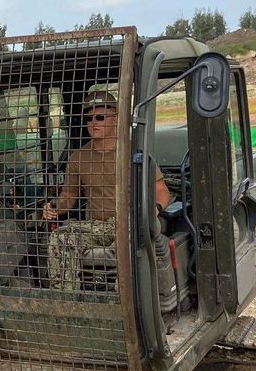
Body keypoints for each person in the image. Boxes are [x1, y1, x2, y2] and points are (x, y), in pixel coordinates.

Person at [42, 90, 171, 290]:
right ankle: (68, 300)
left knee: (129, 243)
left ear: (116, 119)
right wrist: (53, 207)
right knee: (60, 238)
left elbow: (161, 190)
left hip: (132, 224)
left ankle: (126, 300)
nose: (93, 123)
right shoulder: (78, 158)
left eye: (100, 117)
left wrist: (153, 210)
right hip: (98, 227)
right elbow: (68, 196)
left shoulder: (134, 153)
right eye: (89, 118)